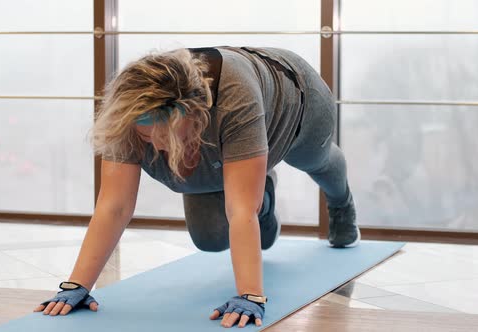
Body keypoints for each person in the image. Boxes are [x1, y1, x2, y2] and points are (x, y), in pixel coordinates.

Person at [33, 46, 360, 328]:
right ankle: (260, 188)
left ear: (192, 114)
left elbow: (240, 210)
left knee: (315, 163)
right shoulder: (128, 111)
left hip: (294, 102)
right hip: (218, 139)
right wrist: (76, 284)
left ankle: (341, 203)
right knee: (210, 237)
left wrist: (250, 295)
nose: (156, 149)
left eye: (162, 137)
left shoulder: (235, 100)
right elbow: (114, 205)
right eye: (147, 139)